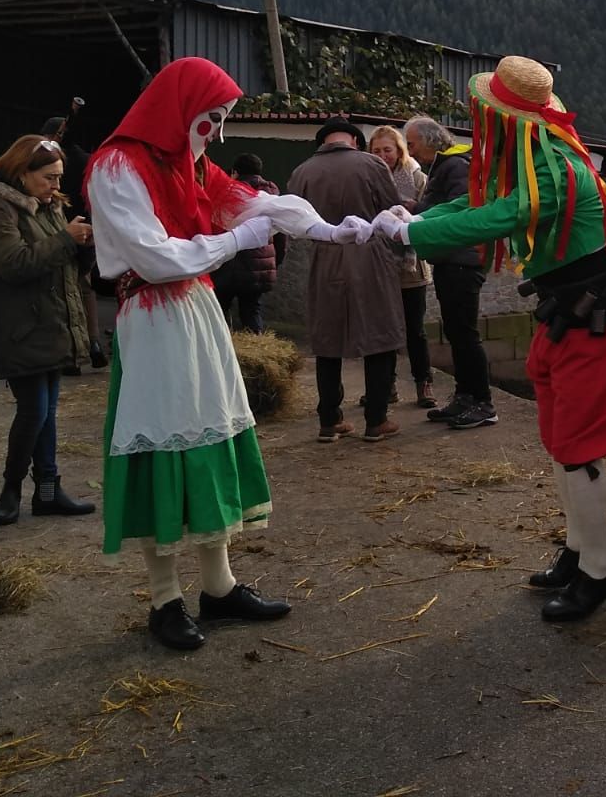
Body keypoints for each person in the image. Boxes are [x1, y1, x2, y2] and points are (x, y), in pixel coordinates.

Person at [84, 57, 367, 652]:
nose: (216, 132)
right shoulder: (118, 166)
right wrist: (235, 241)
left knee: (211, 437)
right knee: (163, 442)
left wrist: (338, 231)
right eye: (211, 118)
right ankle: (165, 601)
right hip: (154, 317)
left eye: (221, 120)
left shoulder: (191, 165)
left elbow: (263, 206)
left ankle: (219, 586)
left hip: (198, 312)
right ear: (181, 111)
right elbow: (155, 257)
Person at [374, 57, 606, 622]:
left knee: (579, 450)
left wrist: (412, 231)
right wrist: (412, 215)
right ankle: (579, 551)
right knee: (561, 440)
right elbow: (480, 200)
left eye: (485, 113)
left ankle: (601, 572)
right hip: (570, 312)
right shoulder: (532, 157)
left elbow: (501, 215)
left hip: (598, 317)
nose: (479, 122)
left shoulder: (553, 170)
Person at [0, 135, 97, 526]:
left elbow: (64, 264)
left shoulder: (48, 206)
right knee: (35, 410)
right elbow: (13, 263)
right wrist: (65, 239)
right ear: (22, 173)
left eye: (59, 178)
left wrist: (81, 243)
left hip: (49, 321)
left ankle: (47, 492)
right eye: (49, 178)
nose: (56, 186)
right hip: (18, 325)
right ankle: (11, 488)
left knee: (47, 412)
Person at [286, 120, 407, 443]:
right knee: (379, 335)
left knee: (328, 340)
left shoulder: (302, 171)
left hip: (325, 257)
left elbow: (293, 221)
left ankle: (329, 420)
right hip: (370, 257)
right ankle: (376, 419)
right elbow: (391, 210)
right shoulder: (372, 164)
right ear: (355, 139)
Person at [403, 116, 491, 426]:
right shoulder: (446, 165)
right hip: (451, 259)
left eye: (411, 144)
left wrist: (418, 215)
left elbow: (460, 210)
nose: (410, 152)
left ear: (429, 141)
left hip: (462, 260)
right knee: (456, 332)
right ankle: (465, 396)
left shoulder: (455, 166)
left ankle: (482, 402)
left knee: (465, 334)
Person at [370, 125, 434, 407]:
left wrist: (408, 210)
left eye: (388, 149)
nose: (383, 155)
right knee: (382, 329)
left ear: (399, 150)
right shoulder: (366, 178)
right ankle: (386, 387)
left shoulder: (417, 177)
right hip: (378, 263)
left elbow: (429, 211)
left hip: (411, 267)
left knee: (414, 330)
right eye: (377, 150)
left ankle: (424, 385)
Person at [43, 102, 109, 369]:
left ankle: (73, 350)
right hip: (88, 230)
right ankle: (92, 343)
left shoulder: (49, 165)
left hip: (63, 229)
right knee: (85, 288)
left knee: (65, 291)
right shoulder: (88, 160)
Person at [210, 153, 285, 334]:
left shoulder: (227, 193)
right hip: (258, 266)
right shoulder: (271, 196)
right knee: (252, 310)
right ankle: (258, 352)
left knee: (219, 311)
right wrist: (276, 260)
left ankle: (221, 352)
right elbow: (281, 234)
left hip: (227, 265)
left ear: (235, 172)